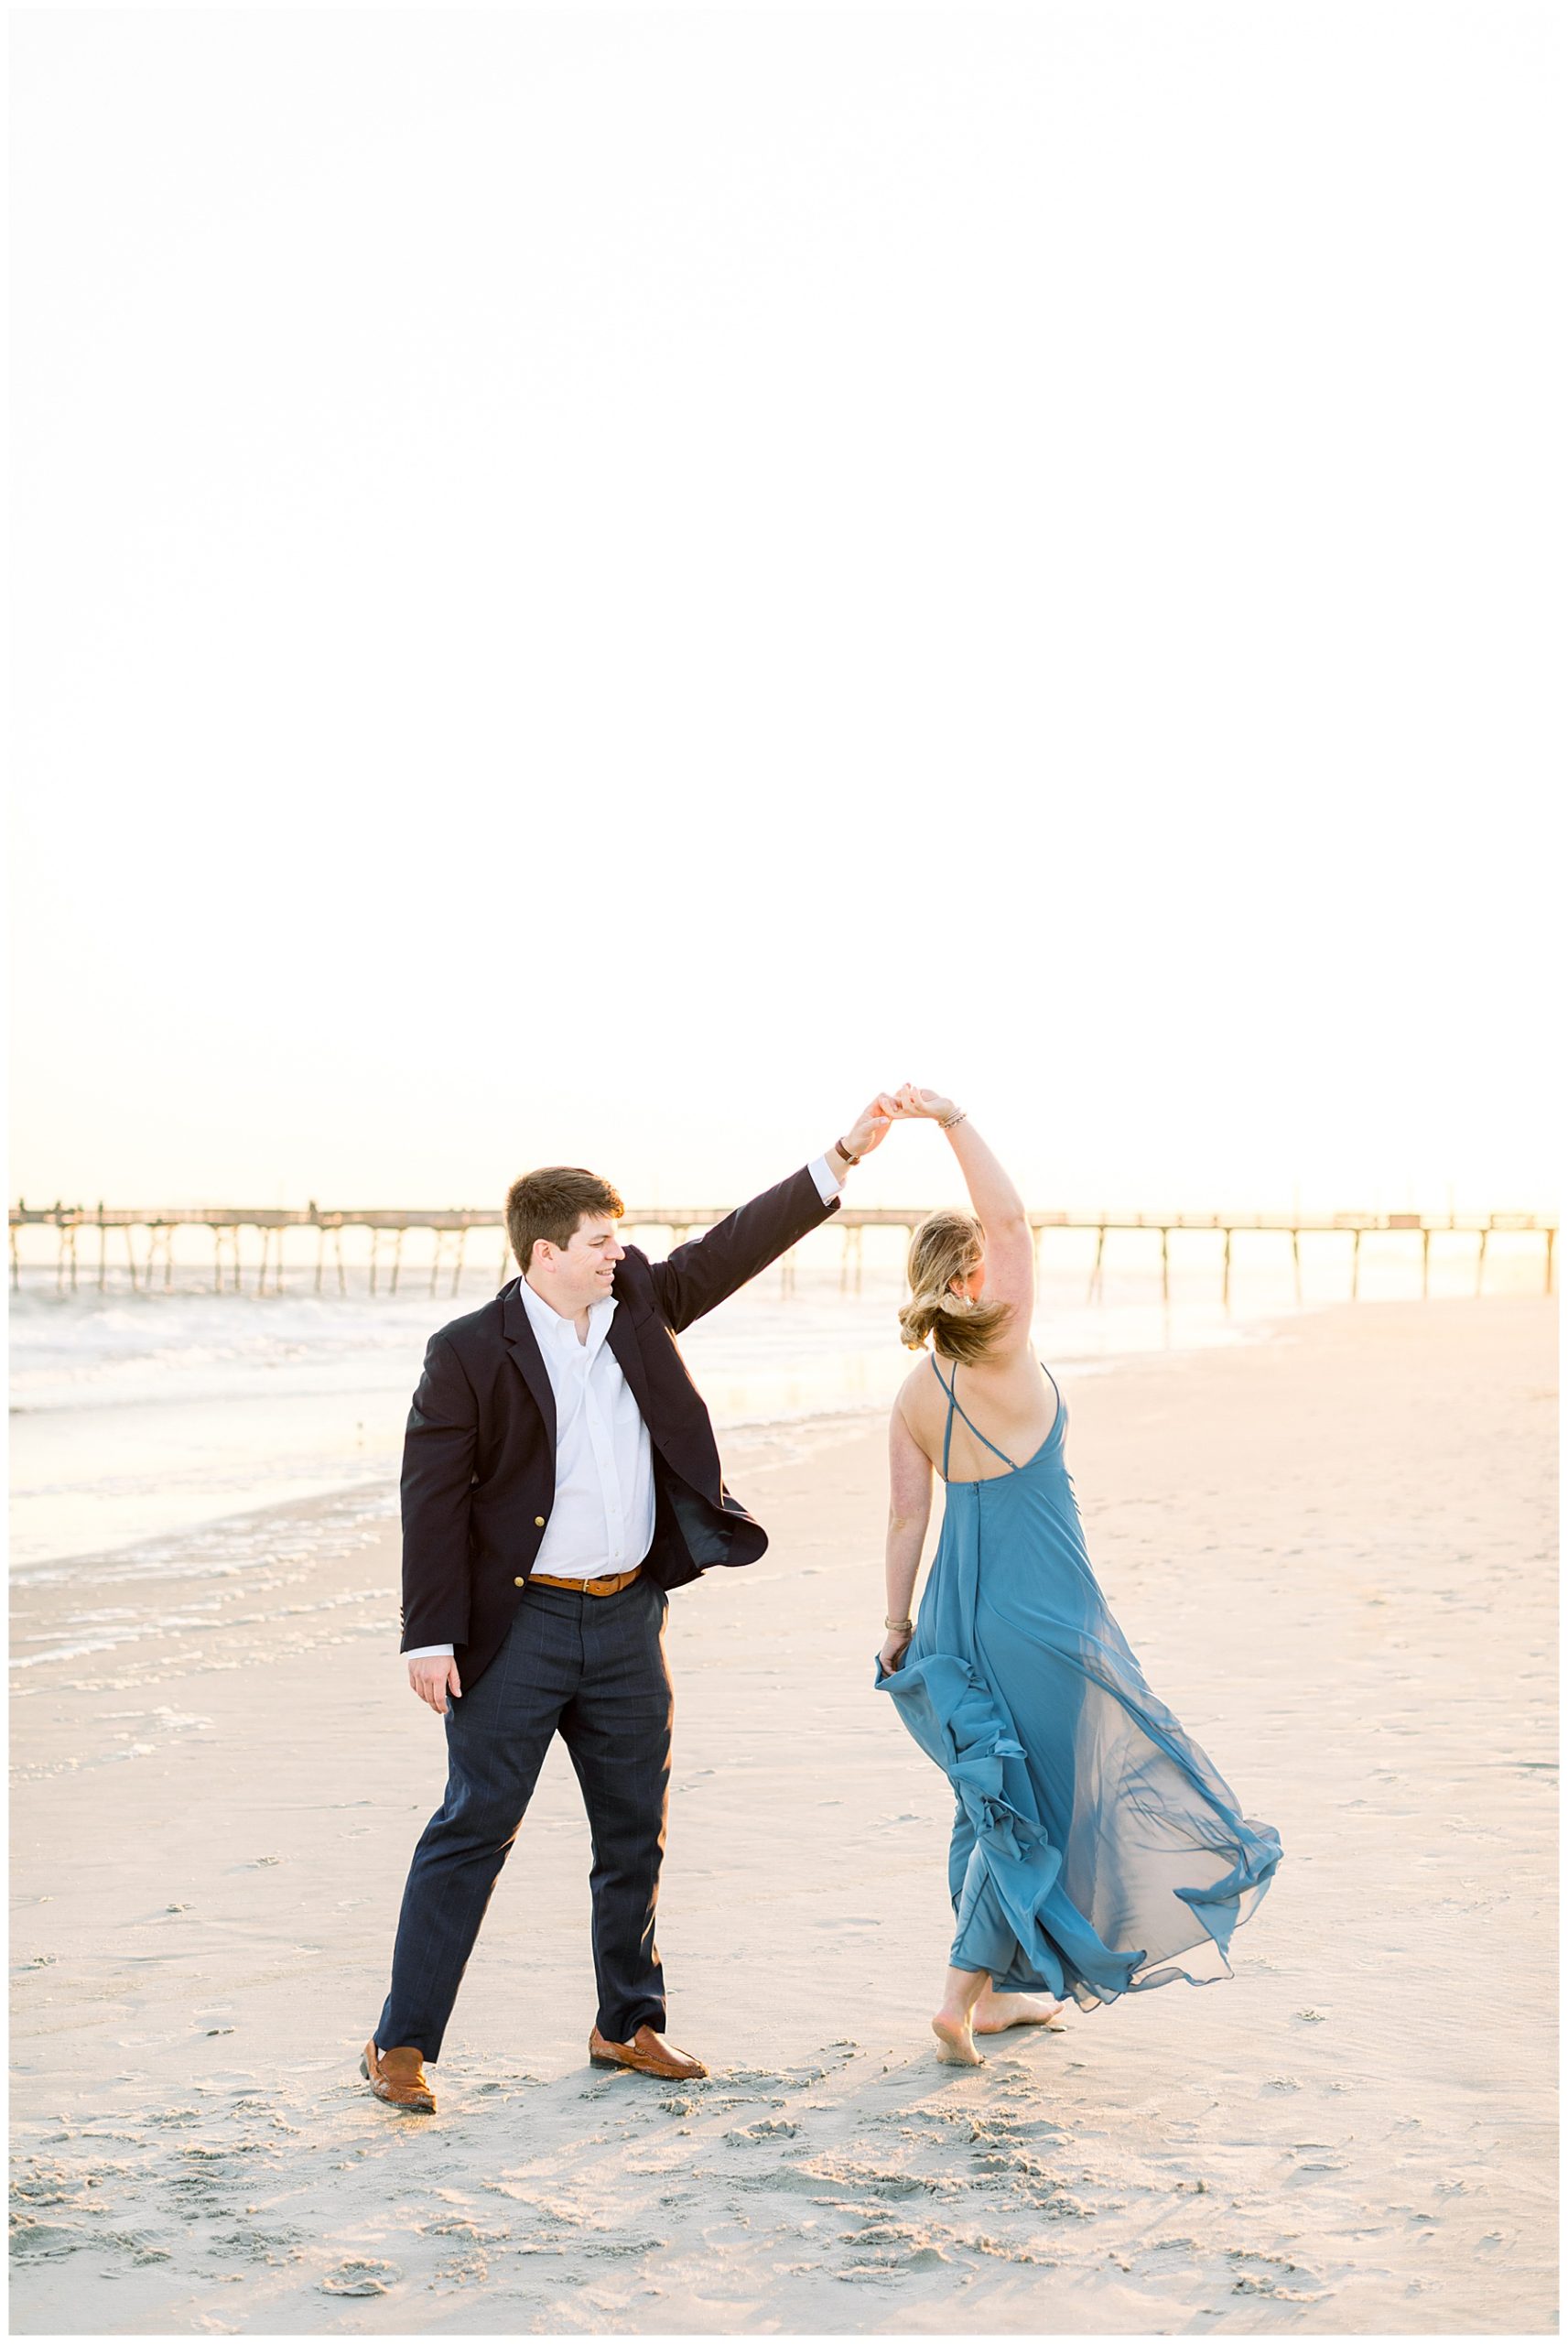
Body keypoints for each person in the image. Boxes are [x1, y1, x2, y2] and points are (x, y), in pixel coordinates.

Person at [362, 1099, 900, 2113]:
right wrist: (427, 1635)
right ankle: (401, 2044)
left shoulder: (640, 1301)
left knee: (632, 1832)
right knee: (474, 1827)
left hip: (624, 1622)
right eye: (602, 1241)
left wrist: (837, 1160)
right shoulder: (469, 1351)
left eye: (621, 1238)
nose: (623, 1252)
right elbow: (429, 1499)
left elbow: (734, 1246)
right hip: (511, 1631)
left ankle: (627, 2022)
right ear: (547, 1251)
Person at [875, 1085, 1281, 2067]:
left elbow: (905, 1519)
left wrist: (894, 1628)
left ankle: (1012, 1991)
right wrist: (954, 1120)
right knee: (1039, 1808)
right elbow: (1011, 1216)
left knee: (989, 1798)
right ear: (976, 1270)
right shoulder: (1005, 1351)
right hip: (1041, 1615)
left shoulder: (913, 1393)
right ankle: (956, 1997)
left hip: (948, 1622)